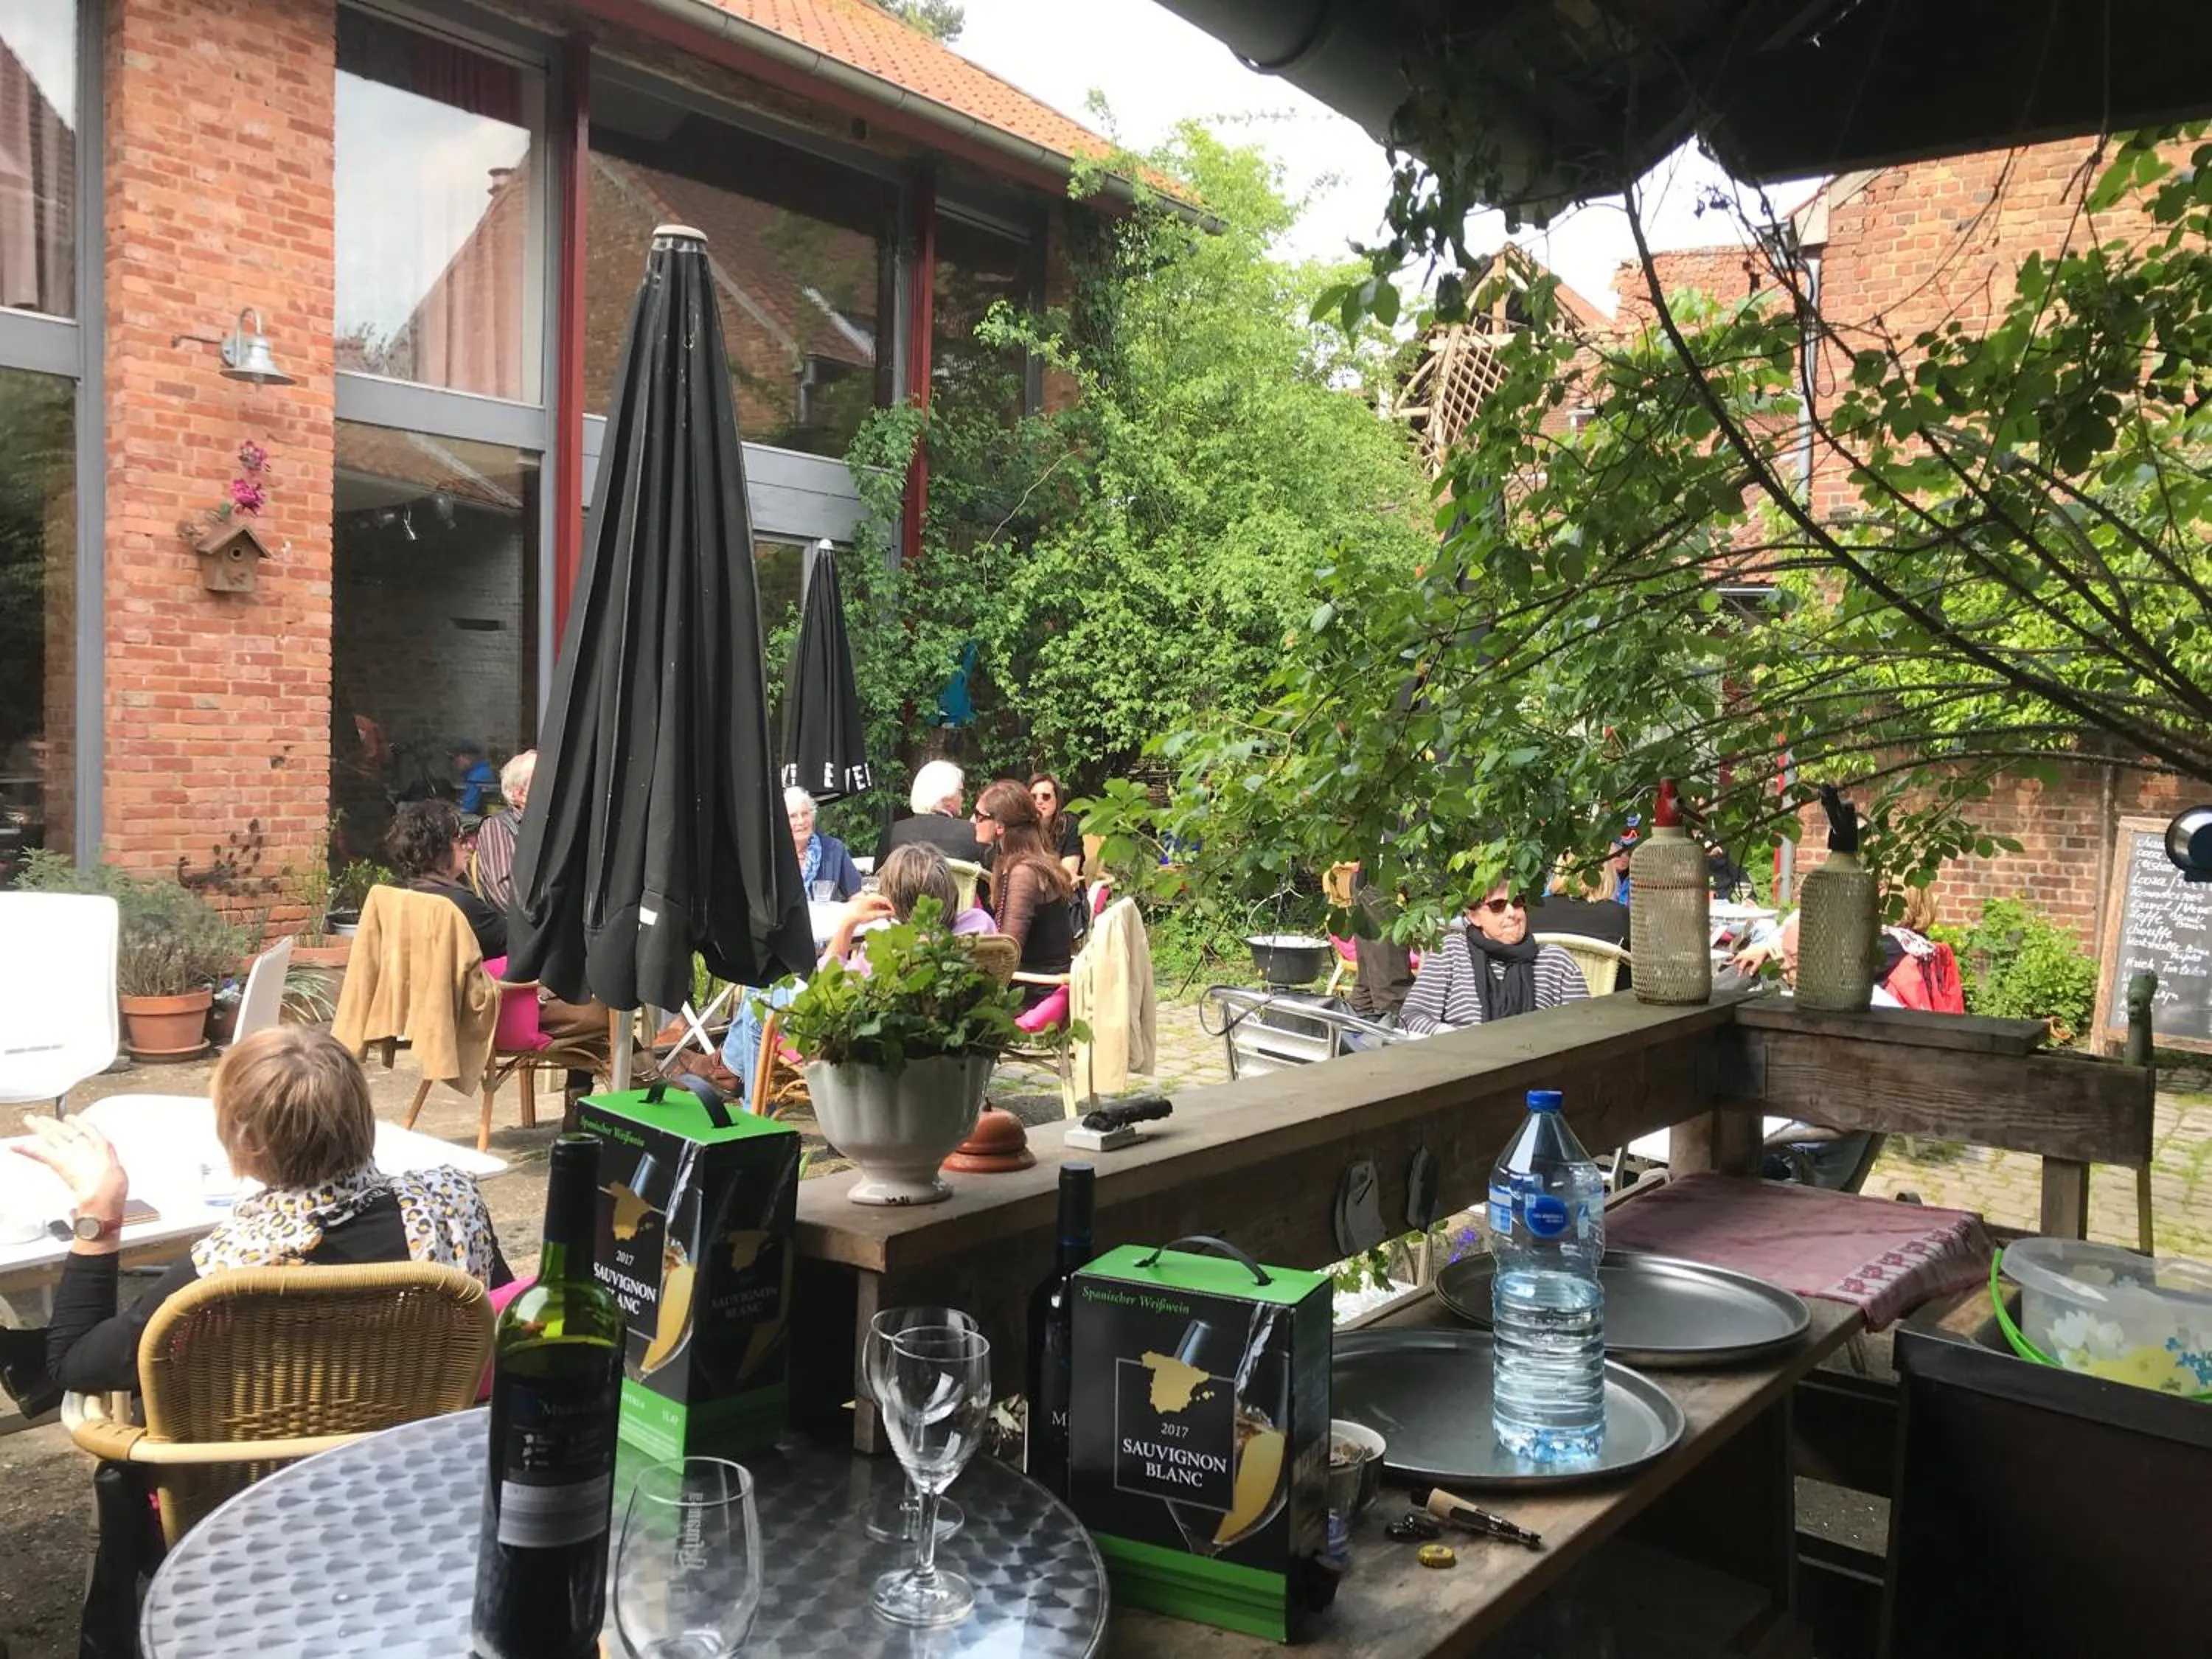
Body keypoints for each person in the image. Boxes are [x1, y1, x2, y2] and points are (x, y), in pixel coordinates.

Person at [12, 1028, 509, 1398]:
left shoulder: (231, 1266)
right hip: (420, 1471)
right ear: (363, 1113)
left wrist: (100, 1211)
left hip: (256, 1494)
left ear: (245, 1143)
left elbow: (73, 1366)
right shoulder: (452, 1200)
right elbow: (496, 1308)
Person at [717, 845, 993, 1100]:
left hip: (858, 1043)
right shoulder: (980, 928)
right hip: (949, 1039)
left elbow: (826, 988)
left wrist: (848, 924)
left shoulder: (888, 953)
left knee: (761, 998)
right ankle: (728, 1068)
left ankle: (751, 1106)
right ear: (950, 890)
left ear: (891, 901)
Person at [1400, 882, 1590, 1034]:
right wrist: (1457, 1038)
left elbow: (1584, 1031)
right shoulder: (1453, 951)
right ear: (1474, 916)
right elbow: (1411, 1016)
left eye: (1517, 902)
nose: (1512, 914)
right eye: (1497, 906)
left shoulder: (1556, 961)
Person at [970, 779, 1075, 998]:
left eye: (979, 816)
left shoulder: (1023, 873)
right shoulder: (1032, 860)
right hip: (1043, 983)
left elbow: (1007, 953)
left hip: (1035, 991)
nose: (973, 821)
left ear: (999, 826)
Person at [386, 798, 505, 960]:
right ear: (438, 848)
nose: (470, 847)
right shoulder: (460, 903)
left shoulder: (406, 893)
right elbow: (516, 947)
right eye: (462, 840)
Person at [875, 759, 985, 866]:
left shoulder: (891, 834)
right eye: (961, 792)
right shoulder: (972, 834)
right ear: (947, 799)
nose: (963, 798)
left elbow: (878, 879)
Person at [470, 749, 535, 911]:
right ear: (520, 793)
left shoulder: (556, 825)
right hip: (523, 931)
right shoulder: (497, 827)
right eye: (546, 781)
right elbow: (507, 896)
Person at [786, 787, 863, 901]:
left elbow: (857, 895)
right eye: (793, 816)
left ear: (812, 816)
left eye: (805, 814)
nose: (801, 821)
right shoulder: (774, 854)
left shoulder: (834, 849)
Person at [1029, 773, 1084, 882]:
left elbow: (1067, 876)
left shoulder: (1070, 825)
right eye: (1033, 797)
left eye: (1046, 796)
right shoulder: (1022, 827)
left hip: (1063, 893)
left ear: (1057, 799)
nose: (1039, 802)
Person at [449, 739, 500, 815]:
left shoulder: (477, 776)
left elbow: (467, 809)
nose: (453, 763)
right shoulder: (480, 770)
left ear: (464, 757)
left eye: (454, 759)